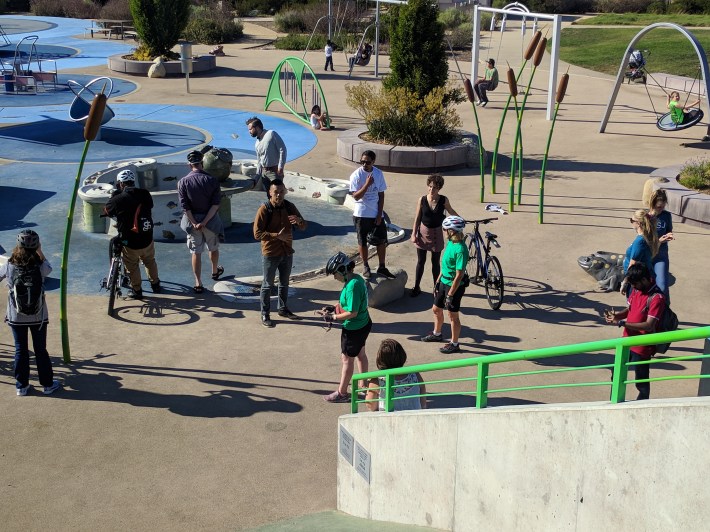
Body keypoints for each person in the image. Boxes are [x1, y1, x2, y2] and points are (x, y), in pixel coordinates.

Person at [0, 230, 61, 396]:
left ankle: (22, 386)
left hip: (16, 315)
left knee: (20, 350)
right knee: (41, 350)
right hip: (39, 316)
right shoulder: (40, 266)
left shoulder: (9, 266)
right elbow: (49, 268)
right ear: (37, 245)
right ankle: (48, 385)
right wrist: (40, 251)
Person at [605, 263, 666, 400]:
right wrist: (617, 316)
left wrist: (622, 323)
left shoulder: (657, 298)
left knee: (641, 379)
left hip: (642, 345)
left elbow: (649, 325)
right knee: (616, 372)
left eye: (635, 284)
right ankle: (614, 400)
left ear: (644, 280)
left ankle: (642, 404)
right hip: (626, 341)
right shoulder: (637, 290)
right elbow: (630, 310)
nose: (633, 287)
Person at [253, 179, 308, 327]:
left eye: (281, 192)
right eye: (276, 192)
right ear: (270, 193)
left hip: (287, 252)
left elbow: (303, 226)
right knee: (267, 285)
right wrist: (277, 236)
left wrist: (299, 220)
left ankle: (283, 309)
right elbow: (257, 234)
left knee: (284, 283)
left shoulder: (290, 207)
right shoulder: (264, 209)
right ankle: (265, 313)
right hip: (271, 253)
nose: (279, 195)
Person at [322, 252, 371, 403]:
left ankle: (342, 393)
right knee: (361, 354)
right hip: (363, 324)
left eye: (335, 273)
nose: (334, 277)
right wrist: (334, 308)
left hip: (354, 328)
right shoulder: (355, 279)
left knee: (347, 359)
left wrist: (334, 317)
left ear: (343, 270)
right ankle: (363, 384)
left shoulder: (352, 286)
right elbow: (347, 304)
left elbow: (352, 312)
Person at [103, 169, 160, 299]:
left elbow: (107, 211)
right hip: (147, 237)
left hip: (130, 241)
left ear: (120, 184)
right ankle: (155, 284)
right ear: (133, 181)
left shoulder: (117, 199)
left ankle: (137, 290)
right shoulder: (145, 194)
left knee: (132, 266)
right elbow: (150, 206)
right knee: (150, 261)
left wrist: (114, 196)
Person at [177, 150, 224, 293]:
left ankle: (198, 283)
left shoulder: (183, 182)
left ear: (189, 165)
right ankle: (215, 271)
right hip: (210, 222)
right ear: (202, 163)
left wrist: (194, 222)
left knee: (196, 252)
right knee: (213, 248)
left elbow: (185, 207)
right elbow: (215, 205)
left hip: (192, 224)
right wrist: (204, 221)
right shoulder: (212, 180)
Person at [421, 216, 469, 354]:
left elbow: (459, 275)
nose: (443, 231)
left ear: (452, 231)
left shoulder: (460, 249)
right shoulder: (451, 243)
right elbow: (445, 263)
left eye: (445, 229)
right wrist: (438, 280)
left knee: (453, 316)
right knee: (436, 309)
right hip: (443, 281)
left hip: (454, 286)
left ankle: (454, 343)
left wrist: (450, 294)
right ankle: (437, 334)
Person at [410, 174, 459, 297]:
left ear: (439, 188)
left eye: (435, 187)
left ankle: (436, 288)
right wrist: (413, 234)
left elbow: (451, 211)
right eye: (430, 186)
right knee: (421, 261)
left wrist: (460, 219)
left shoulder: (443, 200)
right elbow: (417, 218)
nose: (432, 190)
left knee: (435, 263)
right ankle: (416, 286)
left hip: (437, 234)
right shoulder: (421, 199)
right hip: (423, 233)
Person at [349, 150, 394, 280]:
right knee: (362, 241)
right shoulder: (356, 175)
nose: (364, 164)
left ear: (373, 162)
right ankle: (365, 265)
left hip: (375, 213)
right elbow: (356, 196)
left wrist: (379, 214)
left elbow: (381, 194)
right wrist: (367, 184)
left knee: (381, 241)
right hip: (361, 214)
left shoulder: (378, 174)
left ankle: (382, 266)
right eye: (362, 162)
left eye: (367, 162)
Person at [365, 339, 427, 412]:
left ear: (381, 359)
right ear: (402, 355)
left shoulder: (376, 380)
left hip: (389, 420)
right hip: (414, 417)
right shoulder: (415, 375)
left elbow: (370, 406)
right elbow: (422, 397)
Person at [620, 209, 659, 296]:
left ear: (638, 223)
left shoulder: (639, 241)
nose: (631, 222)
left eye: (631, 220)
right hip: (644, 277)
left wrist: (625, 282)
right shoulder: (648, 236)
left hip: (637, 280)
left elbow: (632, 265)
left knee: (635, 306)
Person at [246, 116, 287, 196]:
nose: (249, 131)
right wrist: (256, 178)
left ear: (257, 127)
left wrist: (280, 167)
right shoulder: (257, 143)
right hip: (264, 174)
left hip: (275, 173)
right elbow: (259, 162)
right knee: (270, 197)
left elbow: (283, 149)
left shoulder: (271, 134)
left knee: (278, 197)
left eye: (250, 129)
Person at [648, 189, 674, 302]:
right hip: (647, 255)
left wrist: (669, 235)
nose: (661, 209)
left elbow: (669, 230)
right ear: (652, 204)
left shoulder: (667, 216)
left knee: (662, 286)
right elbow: (643, 240)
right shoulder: (646, 217)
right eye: (659, 207)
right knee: (646, 287)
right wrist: (659, 241)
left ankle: (664, 312)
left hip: (661, 255)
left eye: (663, 206)